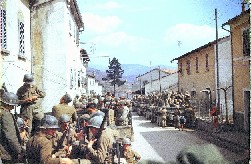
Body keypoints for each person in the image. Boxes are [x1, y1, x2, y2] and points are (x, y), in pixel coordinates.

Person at [0, 92, 23, 163]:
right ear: (8, 104)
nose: (13, 107)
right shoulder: (6, 115)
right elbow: (11, 136)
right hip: (7, 152)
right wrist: (19, 151)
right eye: (12, 105)